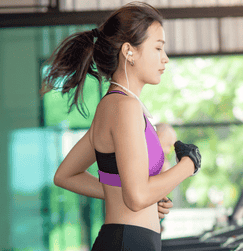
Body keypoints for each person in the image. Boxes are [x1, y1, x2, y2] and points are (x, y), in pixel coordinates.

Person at [41, 2, 201, 250]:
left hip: (130, 240)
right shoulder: (123, 107)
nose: (165, 58)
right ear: (129, 51)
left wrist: (126, 194)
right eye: (158, 48)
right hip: (129, 241)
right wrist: (188, 165)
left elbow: (66, 175)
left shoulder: (119, 105)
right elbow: (137, 197)